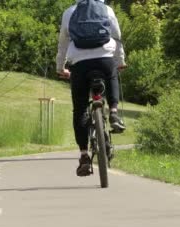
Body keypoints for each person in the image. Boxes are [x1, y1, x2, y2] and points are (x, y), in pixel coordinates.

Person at [56, 0, 127, 177]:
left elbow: (63, 43)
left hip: (79, 64)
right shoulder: (107, 9)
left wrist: (60, 67)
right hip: (104, 59)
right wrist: (120, 61)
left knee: (80, 109)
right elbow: (117, 37)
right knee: (112, 75)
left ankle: (84, 157)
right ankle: (113, 112)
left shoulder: (69, 12)